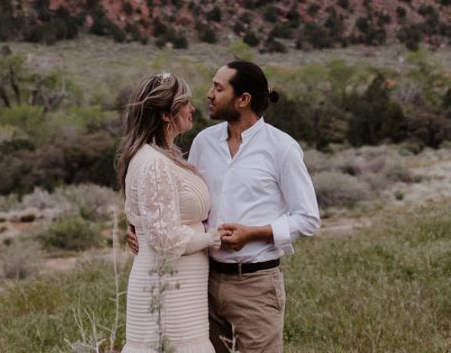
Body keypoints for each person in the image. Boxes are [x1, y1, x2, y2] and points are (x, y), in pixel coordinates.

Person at [131, 60, 320, 353]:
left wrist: (254, 233)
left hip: (255, 284)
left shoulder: (281, 148)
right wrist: (140, 228)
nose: (208, 94)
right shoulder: (204, 142)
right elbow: (181, 201)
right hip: (203, 281)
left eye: (218, 88)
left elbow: (308, 218)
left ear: (243, 100)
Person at [119, 71, 218, 353]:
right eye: (185, 102)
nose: (193, 108)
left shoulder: (162, 156)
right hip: (167, 290)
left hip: (181, 288)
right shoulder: (153, 163)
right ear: (166, 114)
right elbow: (165, 239)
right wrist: (212, 238)